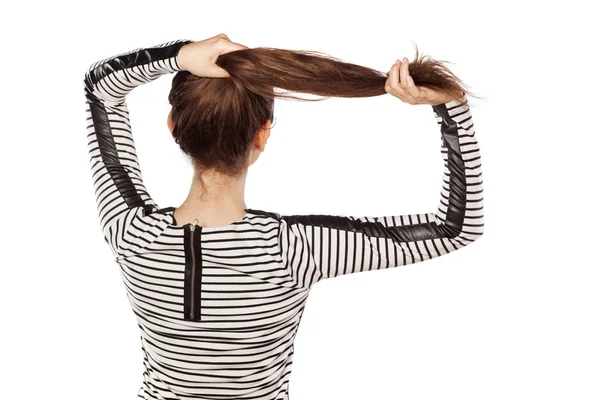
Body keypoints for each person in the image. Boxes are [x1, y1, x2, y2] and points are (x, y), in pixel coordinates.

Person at [83, 33, 484, 400]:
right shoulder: (295, 247)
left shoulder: (129, 230)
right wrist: (451, 107)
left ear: (173, 127)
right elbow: (455, 228)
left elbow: (100, 90)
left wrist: (180, 55)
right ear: (263, 134)